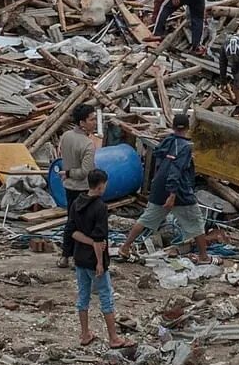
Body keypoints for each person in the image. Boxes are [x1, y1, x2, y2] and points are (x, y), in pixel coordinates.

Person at [120, 113, 209, 260]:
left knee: (146, 219)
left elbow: (160, 159)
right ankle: (204, 257)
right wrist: (172, 194)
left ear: (173, 127)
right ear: (188, 128)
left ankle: (125, 247)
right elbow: (176, 170)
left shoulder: (166, 142)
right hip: (178, 192)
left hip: (159, 189)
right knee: (196, 222)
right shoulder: (185, 147)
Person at [67, 168, 131, 349]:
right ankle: (113, 337)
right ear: (101, 186)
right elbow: (98, 239)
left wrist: (87, 241)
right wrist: (100, 262)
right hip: (93, 260)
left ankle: (85, 333)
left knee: (83, 296)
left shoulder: (77, 202)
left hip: (79, 257)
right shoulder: (100, 207)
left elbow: (72, 232)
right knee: (105, 297)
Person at [58, 103, 99, 198]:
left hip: (68, 186)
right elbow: (85, 173)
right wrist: (68, 173)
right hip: (82, 189)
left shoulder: (66, 135)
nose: (95, 122)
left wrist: (67, 173)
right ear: (82, 123)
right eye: (91, 120)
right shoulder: (88, 144)